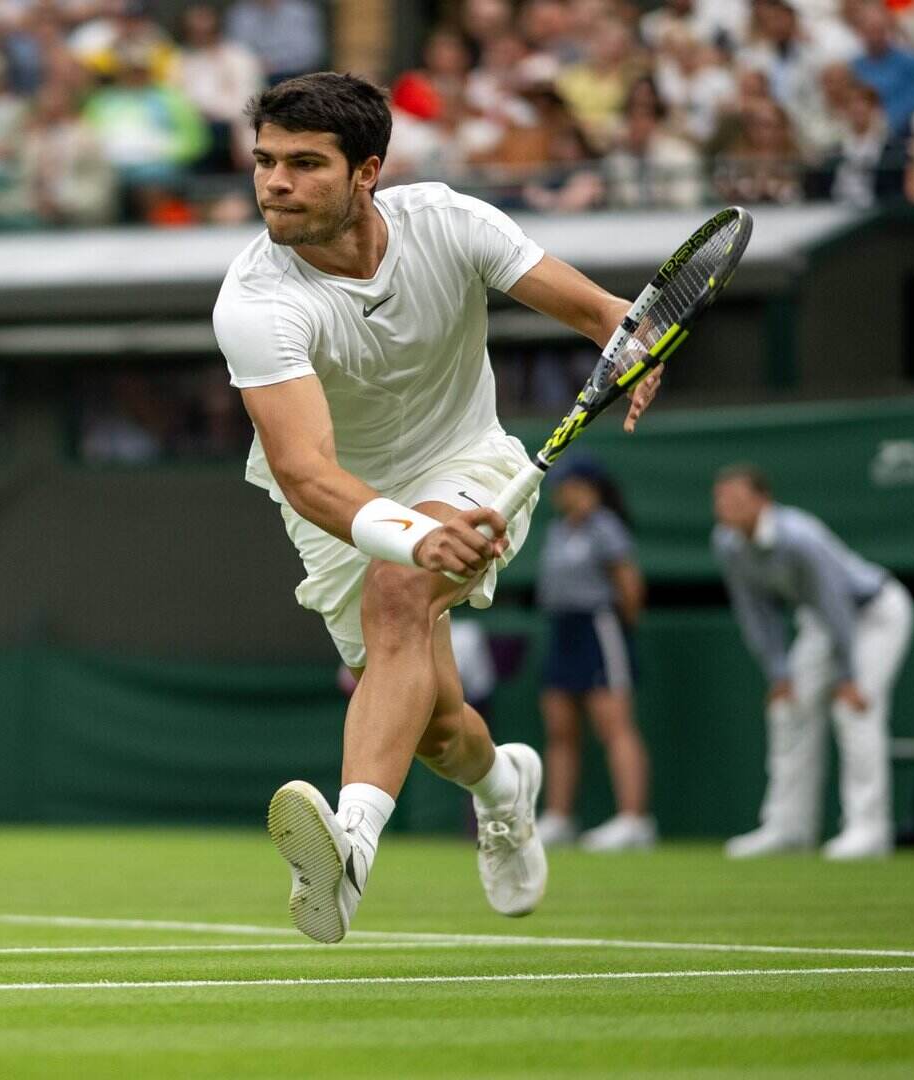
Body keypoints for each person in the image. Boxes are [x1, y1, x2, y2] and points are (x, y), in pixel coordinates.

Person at [215, 73, 661, 943]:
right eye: (265, 162)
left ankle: (349, 853)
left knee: (397, 596)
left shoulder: (452, 222)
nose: (274, 183)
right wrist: (418, 534)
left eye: (305, 164)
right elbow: (306, 474)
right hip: (337, 497)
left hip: (466, 459)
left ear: (366, 172)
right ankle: (505, 789)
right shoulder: (256, 301)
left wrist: (633, 340)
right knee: (438, 729)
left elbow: (604, 313)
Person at [713, 464, 914, 860]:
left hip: (873, 613)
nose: (726, 506)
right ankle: (789, 827)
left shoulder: (799, 538)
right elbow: (755, 613)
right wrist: (778, 672)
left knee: (853, 709)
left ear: (763, 501)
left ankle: (869, 829)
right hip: (823, 622)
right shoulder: (727, 543)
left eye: (736, 499)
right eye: (720, 499)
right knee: (787, 709)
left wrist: (848, 674)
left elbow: (835, 600)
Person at [533, 457, 655, 851]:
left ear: (586, 486)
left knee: (614, 726)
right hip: (562, 629)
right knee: (560, 728)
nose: (558, 492)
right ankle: (559, 817)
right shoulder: (556, 530)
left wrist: (616, 629)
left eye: (566, 484)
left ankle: (635, 821)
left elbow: (629, 587)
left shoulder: (605, 527)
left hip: (598, 629)